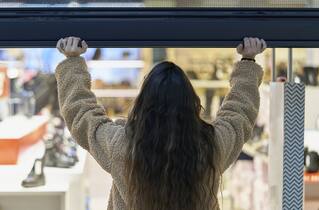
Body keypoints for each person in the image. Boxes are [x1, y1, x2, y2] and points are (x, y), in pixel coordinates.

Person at [55, 37, 266, 210]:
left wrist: (73, 61)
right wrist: (248, 61)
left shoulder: (123, 146)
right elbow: (239, 113)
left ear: (143, 103)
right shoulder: (210, 147)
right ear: (191, 102)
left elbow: (82, 114)